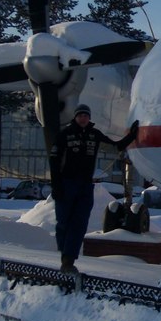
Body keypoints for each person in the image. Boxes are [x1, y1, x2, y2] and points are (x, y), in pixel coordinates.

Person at [49, 103, 139, 273]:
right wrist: (56, 185)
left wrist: (131, 136)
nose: (83, 118)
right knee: (63, 222)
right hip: (66, 184)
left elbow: (115, 146)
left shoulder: (94, 135)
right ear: (75, 117)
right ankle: (64, 254)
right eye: (80, 115)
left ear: (89, 118)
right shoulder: (65, 135)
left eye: (86, 115)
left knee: (80, 223)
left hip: (85, 185)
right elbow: (54, 161)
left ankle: (69, 260)